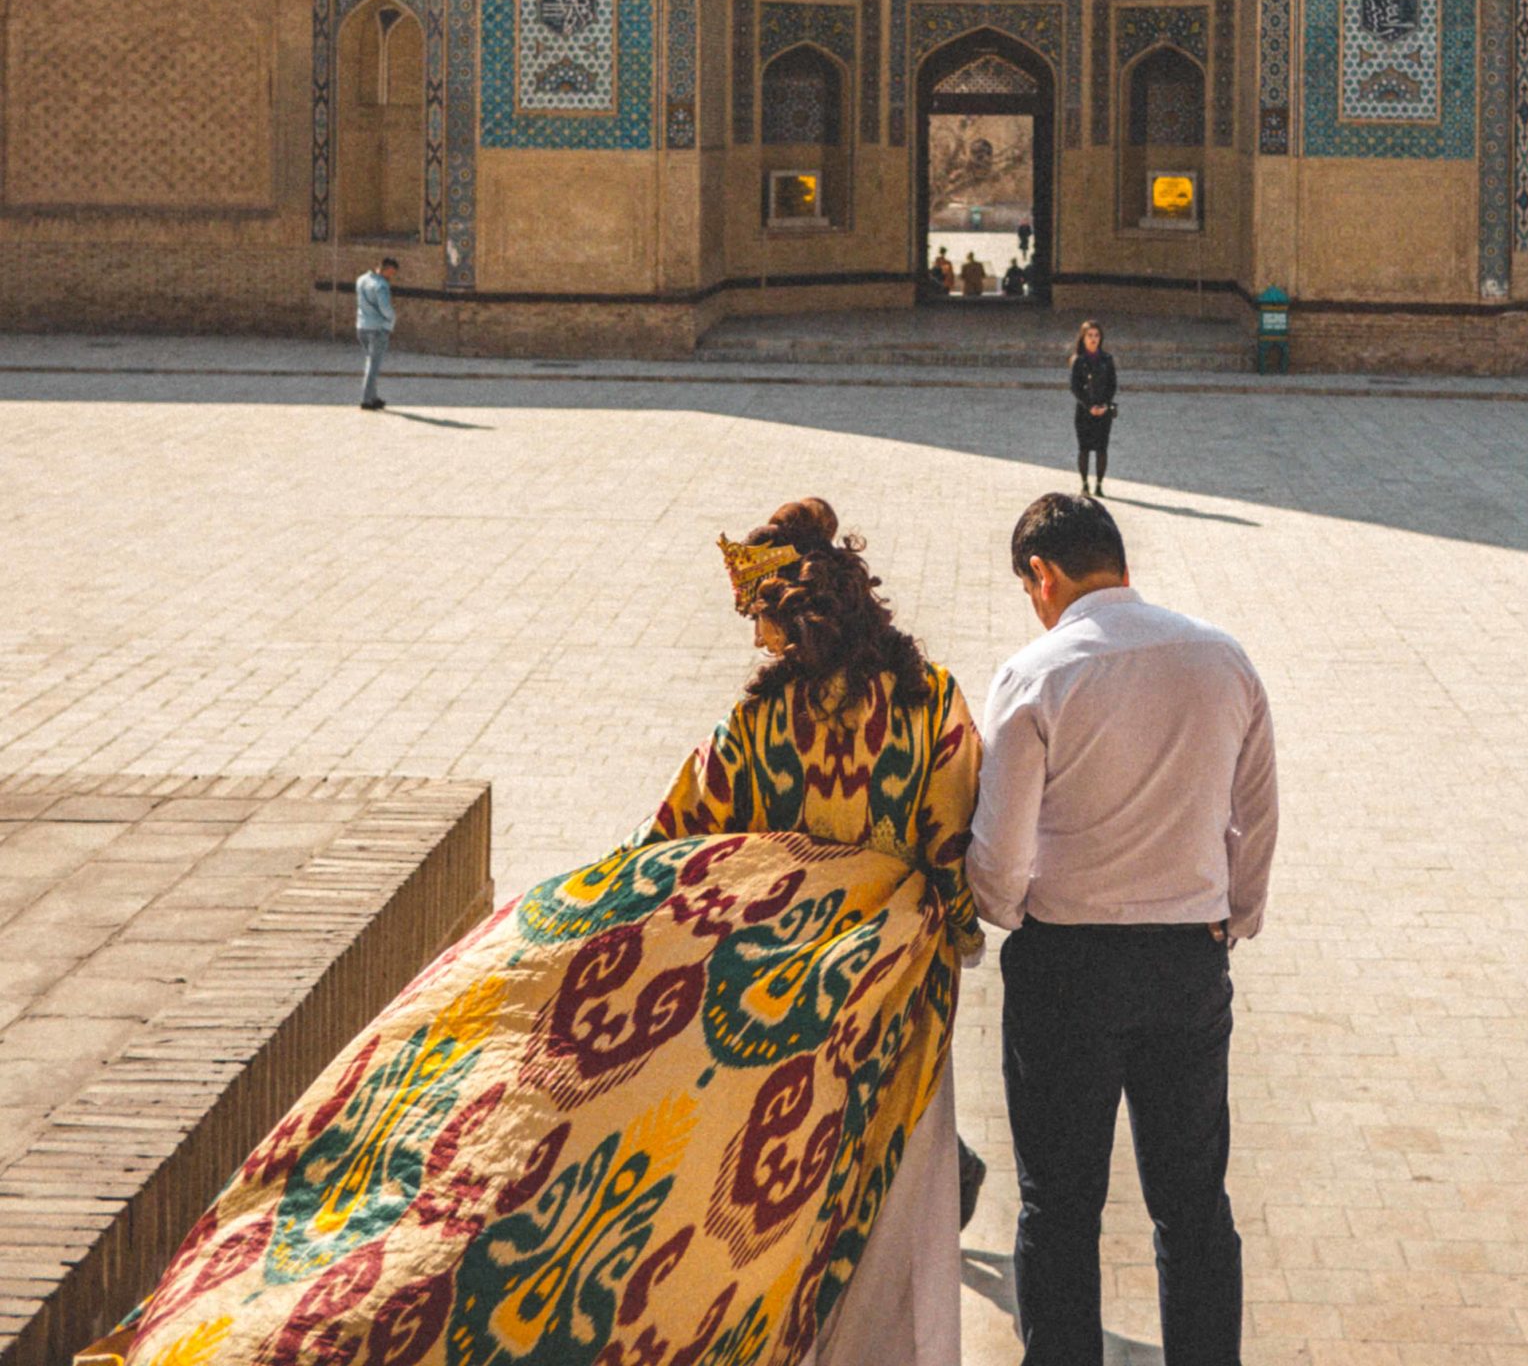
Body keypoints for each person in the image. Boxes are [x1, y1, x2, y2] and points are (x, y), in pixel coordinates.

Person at [108, 499, 983, 1366]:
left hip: (747, 1013)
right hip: (882, 1001)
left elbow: (670, 844)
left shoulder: (756, 722)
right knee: (867, 1214)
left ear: (789, 620)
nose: (759, 643)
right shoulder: (930, 703)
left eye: (761, 624)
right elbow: (951, 854)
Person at [969, 493, 1276, 1366]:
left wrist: (1008, 911)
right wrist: (1232, 919)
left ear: (1044, 574)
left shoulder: (1035, 674)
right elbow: (1257, 815)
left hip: (1067, 969)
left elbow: (998, 858)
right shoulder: (1222, 659)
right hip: (1187, 963)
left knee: (1059, 1207)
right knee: (1192, 1206)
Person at [1068, 318, 1116, 493]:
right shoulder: (1078, 361)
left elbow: (1112, 385)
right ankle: (1084, 484)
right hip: (1084, 411)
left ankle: (1099, 484)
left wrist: (1104, 405)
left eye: (1096, 335)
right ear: (1083, 338)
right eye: (1089, 335)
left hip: (1103, 411)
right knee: (1085, 448)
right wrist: (1089, 406)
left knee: (1102, 449)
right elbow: (1075, 387)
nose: (1093, 339)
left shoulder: (1107, 359)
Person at [353, 255, 398, 409]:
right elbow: (385, 308)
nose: (391, 276)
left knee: (371, 363)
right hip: (377, 328)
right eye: (391, 272)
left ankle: (373, 397)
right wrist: (392, 318)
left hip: (362, 327)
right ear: (384, 269)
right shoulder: (381, 285)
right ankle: (366, 399)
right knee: (373, 365)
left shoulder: (361, 280)